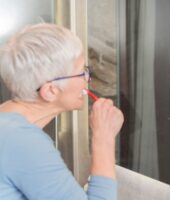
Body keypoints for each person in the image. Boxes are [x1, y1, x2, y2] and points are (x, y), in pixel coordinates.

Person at [0, 23, 124, 199]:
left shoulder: (7, 126)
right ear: (50, 91)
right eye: (82, 72)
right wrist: (103, 137)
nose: (87, 80)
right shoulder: (22, 141)